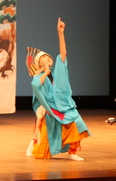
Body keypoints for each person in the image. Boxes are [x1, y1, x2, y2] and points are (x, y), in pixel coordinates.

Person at [27, 18, 90, 161]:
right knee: (45, 137)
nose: (48, 57)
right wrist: (45, 73)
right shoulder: (39, 77)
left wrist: (60, 33)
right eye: (44, 57)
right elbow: (36, 86)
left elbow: (63, 54)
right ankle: (34, 144)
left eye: (49, 56)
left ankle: (72, 152)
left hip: (64, 106)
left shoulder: (57, 71)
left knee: (78, 123)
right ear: (38, 63)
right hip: (50, 108)